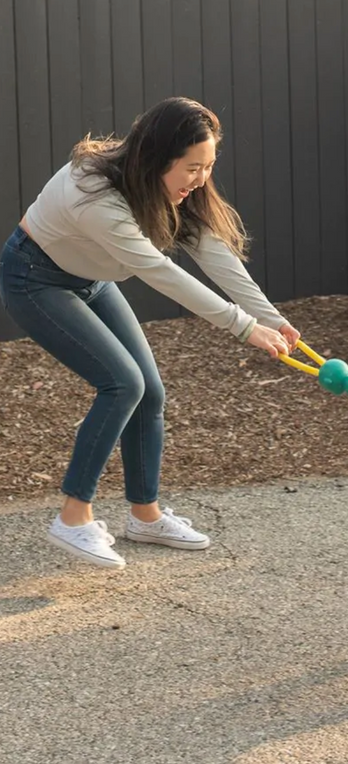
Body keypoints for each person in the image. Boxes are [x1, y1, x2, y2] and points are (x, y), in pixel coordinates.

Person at [0, 97, 300, 570]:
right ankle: (73, 518)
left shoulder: (170, 188)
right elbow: (160, 272)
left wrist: (269, 317)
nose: (201, 178)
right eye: (192, 167)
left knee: (149, 392)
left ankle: (145, 515)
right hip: (35, 277)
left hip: (90, 279)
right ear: (158, 158)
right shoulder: (94, 193)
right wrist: (245, 329)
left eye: (208, 166)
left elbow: (213, 252)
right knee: (123, 384)